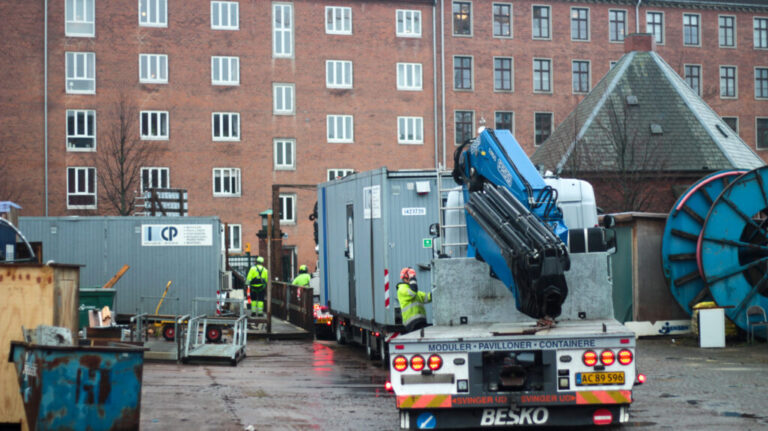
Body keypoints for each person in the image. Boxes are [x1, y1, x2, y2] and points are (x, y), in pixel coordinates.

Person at [397, 267, 431, 333]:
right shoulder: (402, 289)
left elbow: (426, 297)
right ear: (404, 278)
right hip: (411, 323)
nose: (412, 280)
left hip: (420, 322)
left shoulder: (413, 291)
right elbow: (413, 292)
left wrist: (436, 293)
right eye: (410, 278)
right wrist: (412, 279)